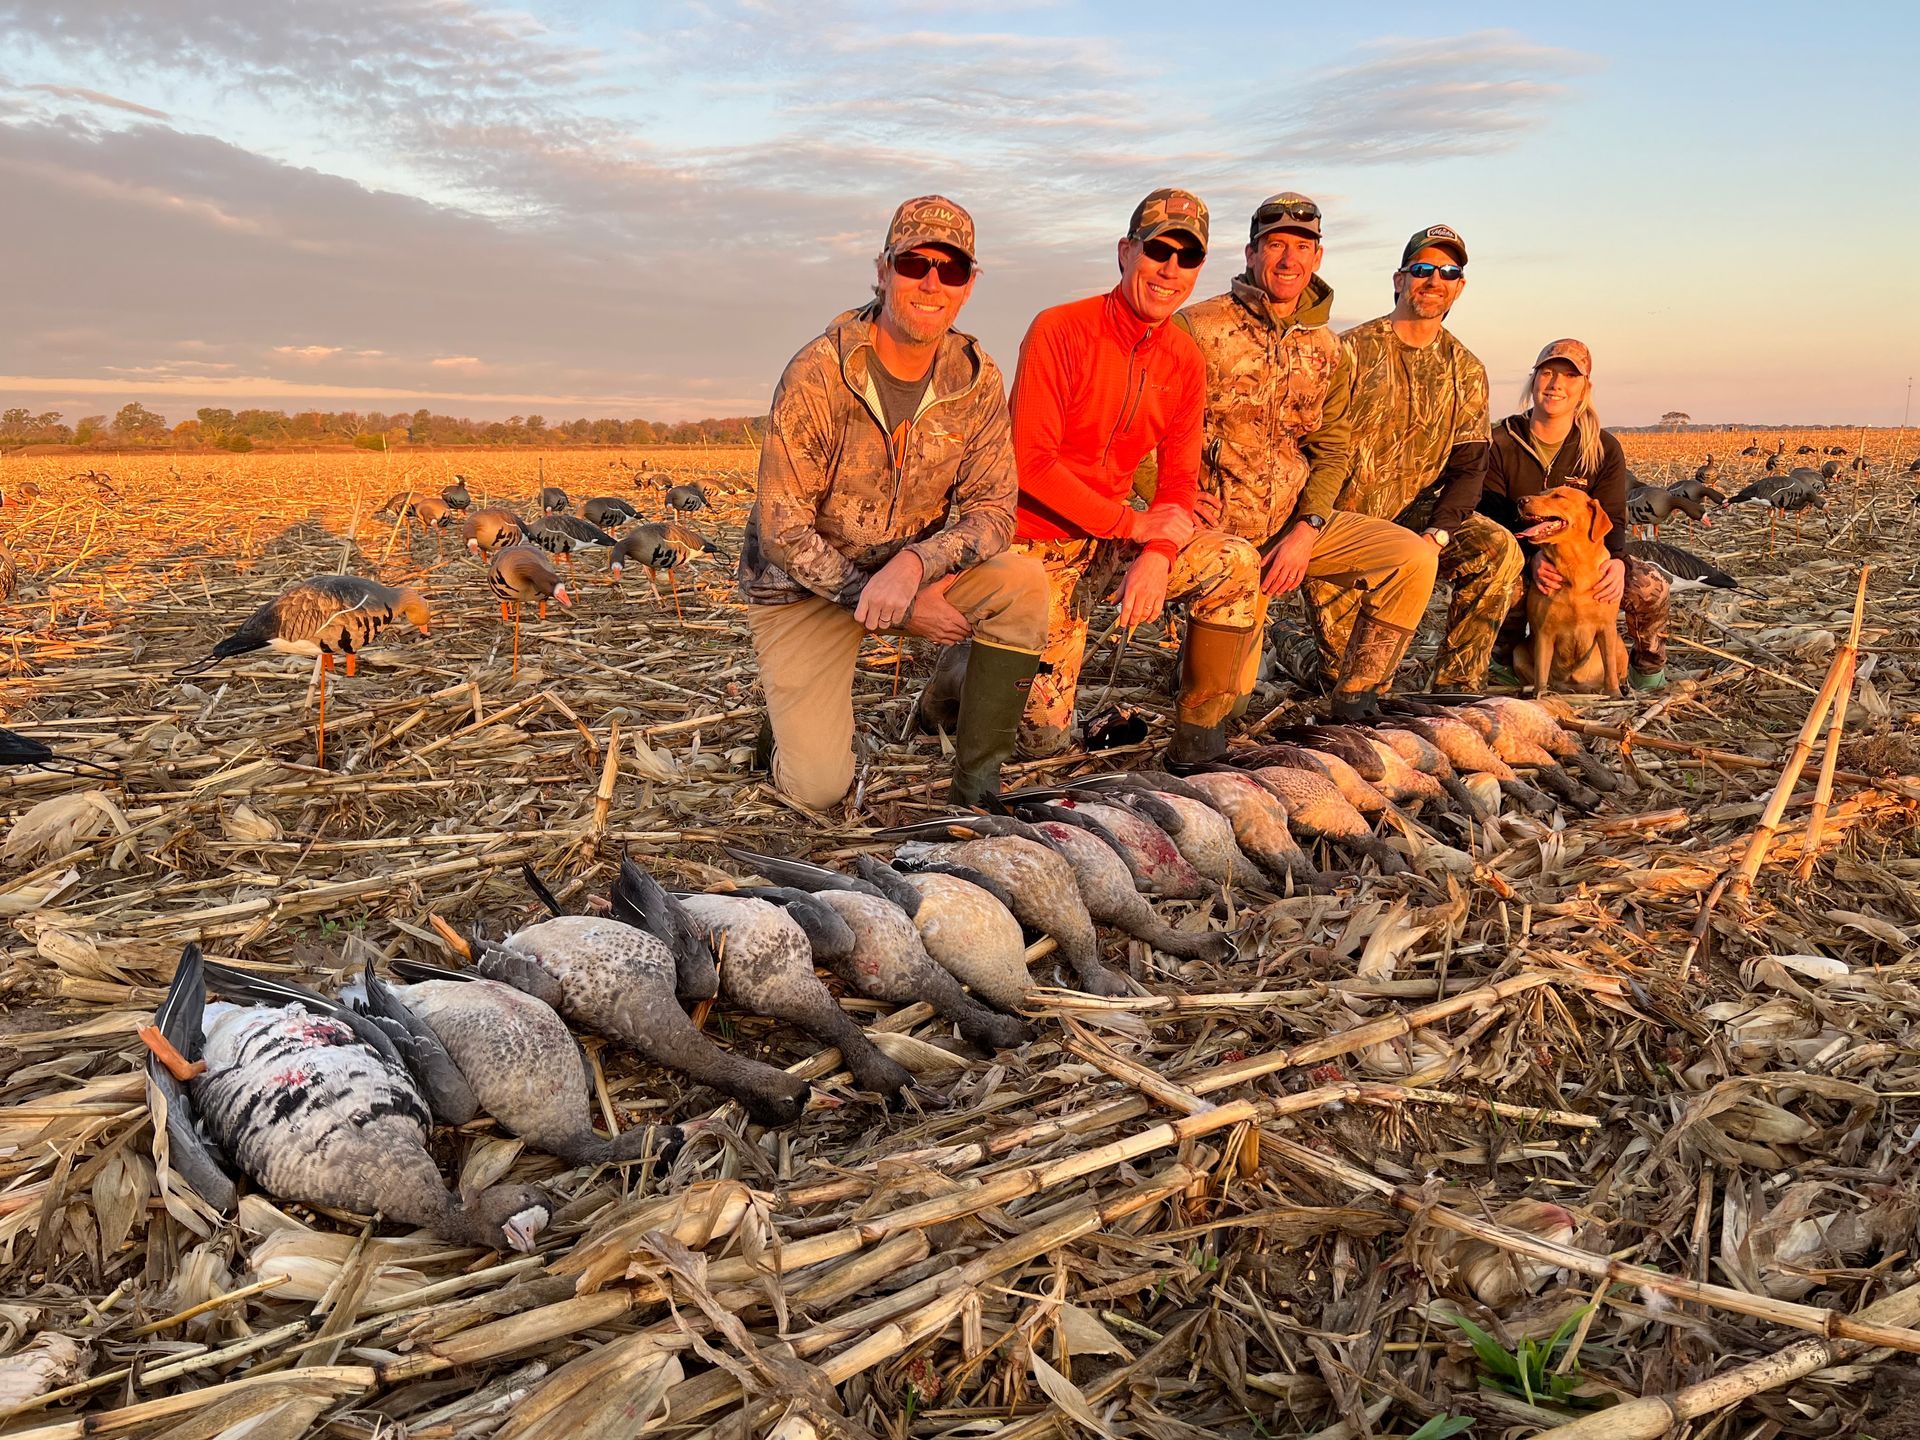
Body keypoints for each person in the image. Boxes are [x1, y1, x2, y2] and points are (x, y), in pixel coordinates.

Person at [739, 195, 1049, 809]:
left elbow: (994, 510)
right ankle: (781, 728)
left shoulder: (975, 376)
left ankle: (977, 789)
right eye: (914, 264)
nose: (932, 283)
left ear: (968, 285)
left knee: (1024, 586)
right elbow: (782, 531)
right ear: (883, 271)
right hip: (804, 590)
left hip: (907, 576)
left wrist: (914, 566)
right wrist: (893, 604)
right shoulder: (819, 371)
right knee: (817, 791)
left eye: (951, 269)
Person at [1008, 187, 1263, 768]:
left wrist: (1159, 551)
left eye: (1188, 257)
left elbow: (1178, 482)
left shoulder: (1184, 359)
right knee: (1041, 747)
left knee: (1234, 562)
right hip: (1036, 547)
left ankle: (1199, 744)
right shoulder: (1059, 328)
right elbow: (1031, 464)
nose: (1171, 269)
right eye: (1157, 251)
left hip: (1115, 538)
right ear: (1126, 252)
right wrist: (1134, 524)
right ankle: (960, 676)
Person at [1175, 192, 1438, 721]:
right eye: (1275, 245)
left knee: (1412, 557)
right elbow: (1143, 428)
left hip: (1291, 526)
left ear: (1318, 257)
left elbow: (1332, 448)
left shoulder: (1328, 349)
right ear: (1251, 253)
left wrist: (1308, 526)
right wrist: (1174, 500)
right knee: (1225, 706)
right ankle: (1202, 675)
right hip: (1220, 537)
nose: (1288, 259)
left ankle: (1356, 702)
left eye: (1302, 247)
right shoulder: (1195, 328)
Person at [1301, 224, 1523, 691]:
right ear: (1400, 279)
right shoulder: (1348, 351)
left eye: (1448, 272)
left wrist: (1437, 534)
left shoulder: (1467, 369)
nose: (1434, 280)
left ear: (1460, 287)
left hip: (1416, 517)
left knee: (1498, 550)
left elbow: (1469, 467)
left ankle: (1455, 689)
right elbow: (1308, 445)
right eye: (1423, 269)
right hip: (1344, 522)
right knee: (1349, 679)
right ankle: (1290, 643)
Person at [1479, 339, 1670, 688]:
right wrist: (1530, 559)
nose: (1556, 384)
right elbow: (1490, 517)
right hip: (1520, 553)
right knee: (1502, 582)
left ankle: (1647, 672)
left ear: (1585, 388)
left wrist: (1616, 562)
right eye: (1547, 373)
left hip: (1586, 560)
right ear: (1533, 380)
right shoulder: (1501, 442)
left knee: (1649, 587)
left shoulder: (1602, 447)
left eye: (1570, 376)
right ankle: (1505, 661)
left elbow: (1613, 515)